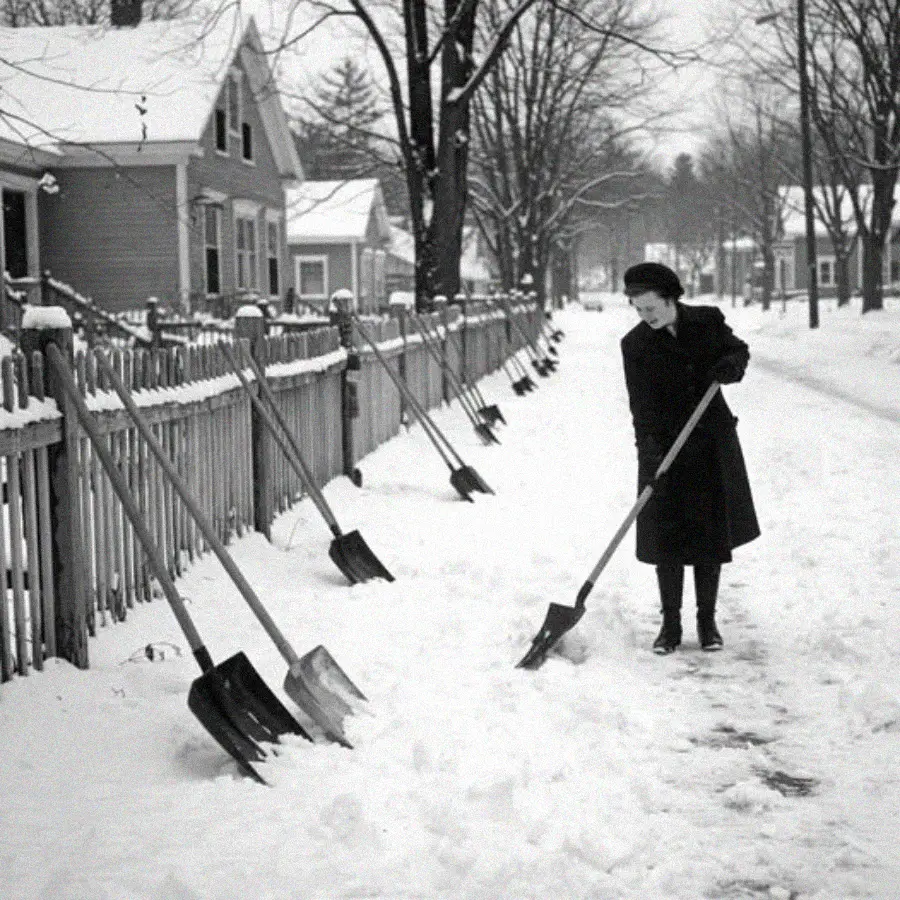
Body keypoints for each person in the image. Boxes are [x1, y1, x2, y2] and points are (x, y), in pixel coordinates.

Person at [620, 262, 760, 655]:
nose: (645, 317)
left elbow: (738, 351)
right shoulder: (635, 346)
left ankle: (707, 621)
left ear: (671, 299)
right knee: (667, 537)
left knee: (709, 535)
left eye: (652, 308)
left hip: (711, 443)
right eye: (638, 310)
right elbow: (640, 408)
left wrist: (731, 365)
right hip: (665, 449)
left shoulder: (707, 322)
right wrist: (650, 457)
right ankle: (670, 624)